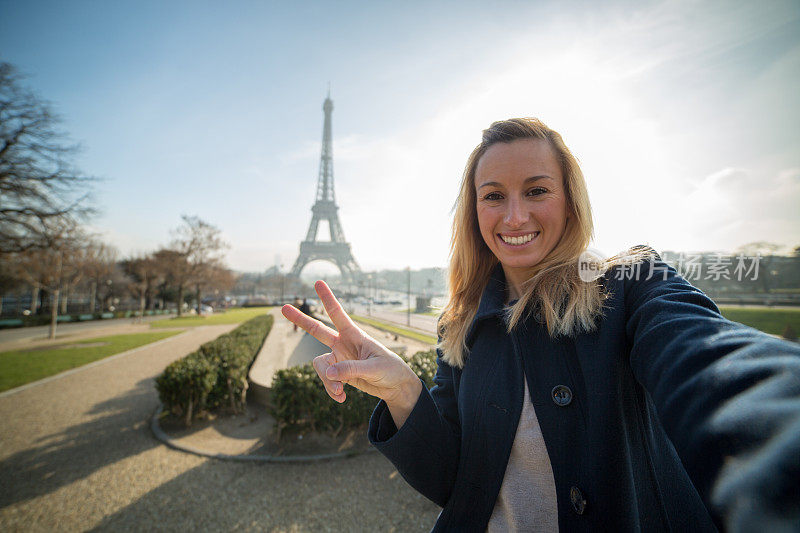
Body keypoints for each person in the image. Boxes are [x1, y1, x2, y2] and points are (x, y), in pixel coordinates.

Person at [282, 118, 800, 532]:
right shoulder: (459, 325)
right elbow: (453, 483)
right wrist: (401, 390)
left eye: (536, 190)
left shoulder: (630, 285)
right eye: (493, 195)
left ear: (570, 200)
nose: (514, 217)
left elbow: (711, 358)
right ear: (474, 210)